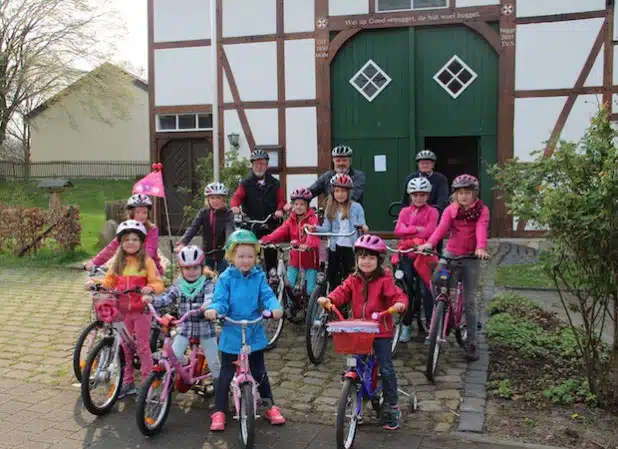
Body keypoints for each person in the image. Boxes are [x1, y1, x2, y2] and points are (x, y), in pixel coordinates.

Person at [317, 234, 408, 430]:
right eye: (362, 257)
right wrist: (329, 299)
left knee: (386, 368)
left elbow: (397, 295)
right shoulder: (353, 279)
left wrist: (400, 304)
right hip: (358, 329)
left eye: (371, 258)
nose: (366, 261)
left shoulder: (384, 280)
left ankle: (392, 406)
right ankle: (353, 398)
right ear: (357, 260)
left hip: (380, 331)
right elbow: (342, 291)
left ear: (379, 260)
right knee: (354, 364)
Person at [204, 229, 286, 431]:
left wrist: (274, 307)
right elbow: (220, 298)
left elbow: (266, 295)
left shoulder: (259, 277)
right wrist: (215, 309)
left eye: (250, 256)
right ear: (232, 256)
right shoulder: (226, 278)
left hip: (253, 329)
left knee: (259, 370)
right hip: (232, 330)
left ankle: (268, 404)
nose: (245, 260)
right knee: (225, 372)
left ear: (256, 257)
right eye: (241, 256)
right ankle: (220, 410)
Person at [85, 220, 165, 397]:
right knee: (125, 347)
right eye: (126, 239)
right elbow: (108, 282)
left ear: (142, 242)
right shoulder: (118, 263)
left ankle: (147, 384)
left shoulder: (147, 262)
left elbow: (158, 283)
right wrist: (95, 284)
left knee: (143, 347)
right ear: (121, 242)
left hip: (141, 311)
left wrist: (150, 289)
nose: (130, 242)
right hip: (121, 312)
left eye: (135, 239)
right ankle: (127, 382)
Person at [418, 174, 490, 361]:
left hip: (470, 257)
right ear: (455, 194)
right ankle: (442, 309)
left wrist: (481, 247)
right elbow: (441, 229)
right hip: (450, 255)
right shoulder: (451, 210)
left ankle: (472, 342)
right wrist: (429, 244)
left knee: (470, 300)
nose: (464, 196)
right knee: (436, 280)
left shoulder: (482, 210)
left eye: (467, 192)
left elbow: (481, 228)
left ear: (474, 194)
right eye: (460, 193)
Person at [153, 246, 221, 392]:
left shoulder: (207, 284)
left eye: (196, 268)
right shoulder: (179, 284)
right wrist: (150, 301)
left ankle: (220, 390)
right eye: (187, 268)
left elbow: (210, 298)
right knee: (174, 356)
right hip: (184, 329)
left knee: (214, 363)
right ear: (181, 269)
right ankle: (186, 363)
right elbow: (166, 298)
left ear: (202, 267)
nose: (192, 272)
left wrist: (208, 307)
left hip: (204, 329)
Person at [393, 177, 439, 342]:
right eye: (415, 195)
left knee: (425, 292)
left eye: (422, 195)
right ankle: (405, 326)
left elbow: (430, 231)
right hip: (406, 256)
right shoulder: (405, 211)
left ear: (427, 196)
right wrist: (417, 230)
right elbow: (398, 230)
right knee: (406, 292)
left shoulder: (433, 211)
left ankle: (430, 327)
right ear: (410, 195)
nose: (418, 198)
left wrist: (409, 232)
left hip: (425, 257)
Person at [306, 173, 368, 290]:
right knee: (332, 275)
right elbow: (327, 229)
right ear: (333, 192)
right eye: (337, 191)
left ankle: (351, 300)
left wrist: (363, 227)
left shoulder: (356, 207)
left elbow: (363, 224)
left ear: (349, 193)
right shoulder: (330, 208)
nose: (340, 194)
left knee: (351, 274)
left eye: (343, 191)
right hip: (335, 246)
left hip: (351, 246)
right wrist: (315, 228)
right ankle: (333, 299)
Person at [230, 149, 285, 273]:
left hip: (270, 224)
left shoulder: (274, 183)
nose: (259, 167)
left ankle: (272, 281)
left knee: (271, 256)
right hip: (251, 225)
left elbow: (281, 200)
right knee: (251, 256)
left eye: (262, 164)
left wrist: (280, 210)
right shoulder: (245, 183)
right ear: (252, 165)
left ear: (266, 165)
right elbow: (236, 197)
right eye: (256, 164)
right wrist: (235, 206)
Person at [260, 187, 320, 295]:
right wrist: (266, 239)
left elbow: (313, 235)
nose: (299, 207)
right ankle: (287, 308)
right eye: (296, 204)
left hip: (310, 259)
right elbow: (280, 231)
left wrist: (308, 245)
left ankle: (312, 310)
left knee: (311, 290)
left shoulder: (312, 218)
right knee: (288, 285)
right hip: (294, 259)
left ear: (307, 205)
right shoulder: (291, 219)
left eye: (302, 204)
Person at [86, 194, 163, 275]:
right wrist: (94, 262)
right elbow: (111, 248)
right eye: (137, 212)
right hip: (128, 269)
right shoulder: (126, 229)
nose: (141, 216)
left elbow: (150, 251)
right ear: (131, 213)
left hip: (149, 269)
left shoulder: (151, 229)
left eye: (144, 213)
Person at [175, 182, 234, 274]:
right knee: (205, 278)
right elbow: (193, 227)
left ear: (223, 199)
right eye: (212, 198)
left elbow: (229, 229)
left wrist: (229, 244)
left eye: (218, 198)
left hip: (223, 254)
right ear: (208, 200)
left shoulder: (228, 214)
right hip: (207, 254)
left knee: (224, 278)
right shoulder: (203, 213)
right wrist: (183, 242)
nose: (215, 201)